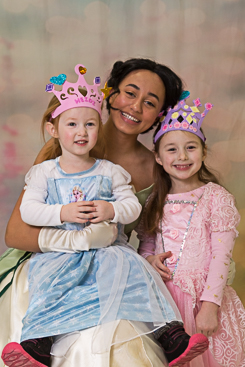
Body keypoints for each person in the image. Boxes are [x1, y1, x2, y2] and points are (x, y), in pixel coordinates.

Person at [1, 64, 209, 367]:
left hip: (113, 262)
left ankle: (170, 335)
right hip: (53, 258)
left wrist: (150, 256)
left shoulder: (159, 166)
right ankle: (39, 341)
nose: (136, 106)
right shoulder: (62, 149)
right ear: (110, 95)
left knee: (124, 328)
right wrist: (79, 239)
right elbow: (17, 233)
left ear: (159, 116)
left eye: (150, 103)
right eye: (129, 93)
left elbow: (157, 227)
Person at [137, 95, 245, 366]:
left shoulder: (215, 197)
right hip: (164, 305)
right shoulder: (154, 201)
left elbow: (221, 256)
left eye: (191, 147)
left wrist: (210, 305)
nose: (182, 156)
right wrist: (150, 260)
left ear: (204, 152)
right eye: (171, 149)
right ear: (159, 158)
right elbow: (146, 247)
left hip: (204, 300)